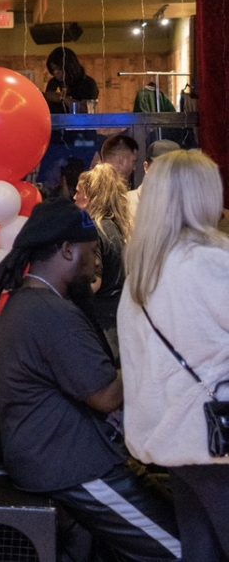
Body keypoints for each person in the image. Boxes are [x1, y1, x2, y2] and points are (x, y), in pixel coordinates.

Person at [0, 199, 181, 561]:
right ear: (67, 250)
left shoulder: (28, 302)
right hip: (72, 467)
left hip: (56, 457)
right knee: (181, 549)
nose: (96, 263)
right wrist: (150, 349)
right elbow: (105, 396)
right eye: (92, 252)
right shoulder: (50, 313)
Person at [118, 149, 229, 560]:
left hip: (172, 440)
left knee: (200, 549)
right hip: (216, 440)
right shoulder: (211, 264)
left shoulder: (141, 274)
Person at [74, 163, 131, 345]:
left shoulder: (94, 231)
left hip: (100, 328)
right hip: (118, 322)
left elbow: (94, 283)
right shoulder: (116, 228)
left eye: (78, 192)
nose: (74, 198)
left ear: (90, 196)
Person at [126, 139, 180, 223]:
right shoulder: (126, 203)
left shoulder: (185, 204)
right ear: (146, 167)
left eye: (173, 168)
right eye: (160, 167)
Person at [44, 46, 99, 114]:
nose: (55, 72)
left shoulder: (88, 83)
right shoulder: (53, 82)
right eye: (53, 70)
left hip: (78, 120)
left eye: (59, 68)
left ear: (70, 67)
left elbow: (87, 110)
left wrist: (63, 98)